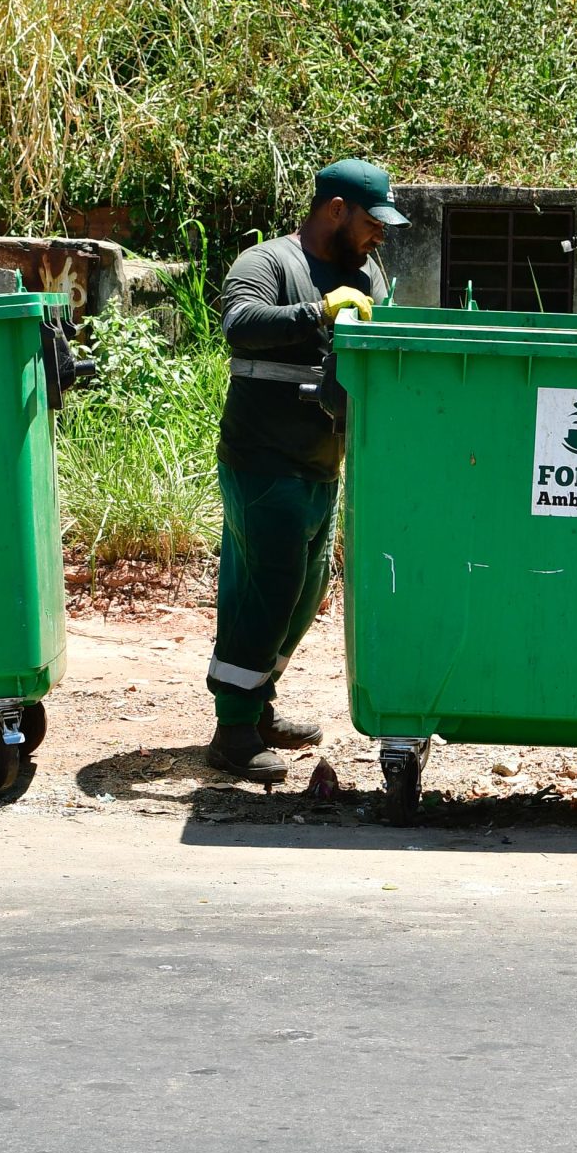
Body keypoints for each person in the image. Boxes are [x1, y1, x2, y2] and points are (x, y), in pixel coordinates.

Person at [204, 158, 402, 780]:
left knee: (303, 593)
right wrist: (317, 310)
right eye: (373, 222)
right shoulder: (268, 263)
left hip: (324, 463)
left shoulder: (368, 273)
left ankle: (257, 703)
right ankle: (232, 729)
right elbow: (238, 325)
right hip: (262, 461)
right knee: (264, 591)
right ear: (336, 210)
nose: (380, 236)